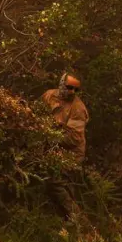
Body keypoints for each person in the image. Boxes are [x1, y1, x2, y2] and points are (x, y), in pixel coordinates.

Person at [41, 73, 89, 223]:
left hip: (72, 153)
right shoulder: (49, 95)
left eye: (76, 89)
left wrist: (50, 138)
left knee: (56, 182)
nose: (72, 92)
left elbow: (74, 138)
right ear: (61, 84)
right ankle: (65, 220)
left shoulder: (78, 108)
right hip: (54, 148)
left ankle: (78, 219)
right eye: (69, 87)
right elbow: (37, 113)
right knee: (59, 184)